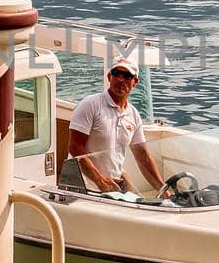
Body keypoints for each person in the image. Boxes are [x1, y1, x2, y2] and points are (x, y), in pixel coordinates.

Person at [67, 56, 166, 196]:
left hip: (113, 187)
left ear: (135, 82)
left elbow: (142, 156)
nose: (120, 79)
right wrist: (100, 182)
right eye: (116, 74)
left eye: (127, 76)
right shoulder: (90, 104)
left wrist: (164, 190)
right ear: (109, 77)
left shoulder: (133, 114)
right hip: (85, 188)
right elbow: (75, 146)